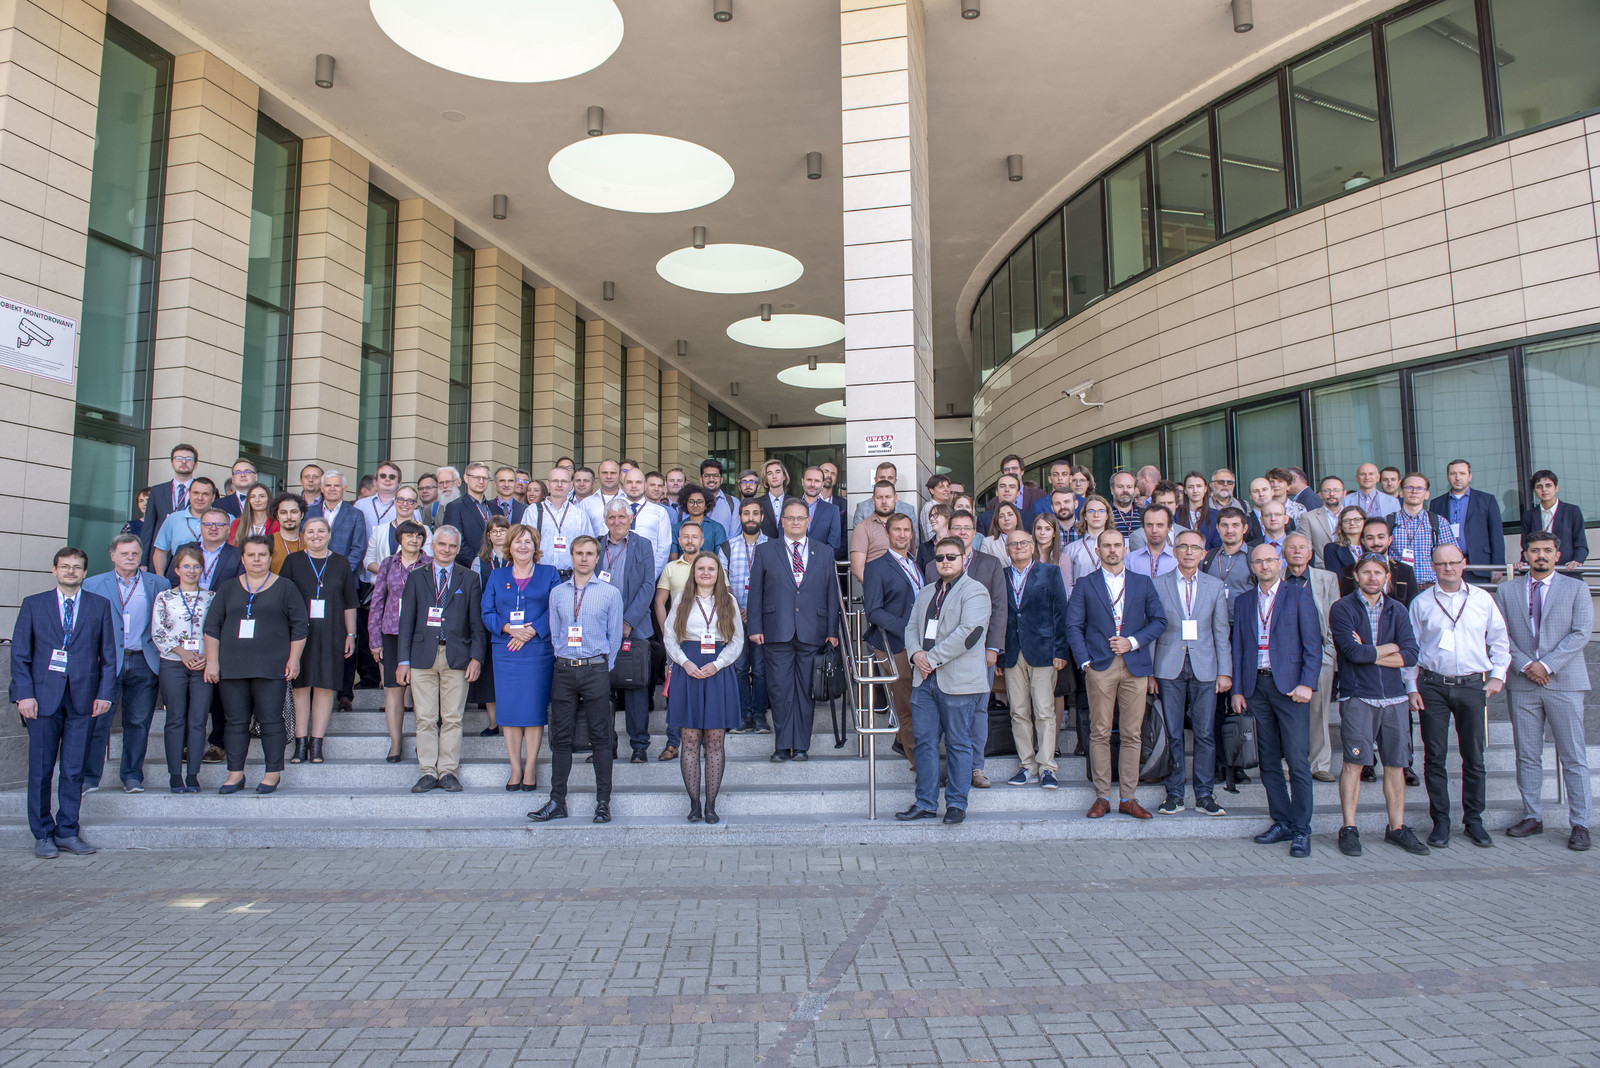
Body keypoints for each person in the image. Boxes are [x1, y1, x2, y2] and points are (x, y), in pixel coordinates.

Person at [10, 547, 116, 856]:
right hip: (42, 699)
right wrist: (24, 694)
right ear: (54, 570)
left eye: (77, 567)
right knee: (41, 770)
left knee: (73, 770)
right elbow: (20, 654)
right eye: (65, 566)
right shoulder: (34, 604)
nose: (71, 571)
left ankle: (68, 831)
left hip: (84, 699)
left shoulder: (99, 605)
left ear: (85, 572)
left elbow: (109, 656)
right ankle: (43, 834)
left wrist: (105, 693)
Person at [1405, 544, 1510, 849]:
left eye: (1453, 562)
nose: (1448, 568)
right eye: (1441, 564)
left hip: (1472, 685)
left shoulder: (1482, 599)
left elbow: (1500, 640)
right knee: (1435, 757)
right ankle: (1441, 821)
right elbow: (1412, 649)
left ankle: (1474, 821)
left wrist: (1497, 676)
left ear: (1464, 563)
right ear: (1433, 567)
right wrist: (1411, 686)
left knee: (1474, 757)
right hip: (1432, 686)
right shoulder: (1421, 603)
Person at [1496, 531, 1592, 851]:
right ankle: (1532, 816)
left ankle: (1580, 823)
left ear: (1557, 555)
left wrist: (1546, 665)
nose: (1541, 555)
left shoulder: (1576, 588)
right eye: (1535, 550)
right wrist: (1526, 665)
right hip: (1523, 681)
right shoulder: (1507, 590)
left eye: (1547, 550)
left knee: (1573, 756)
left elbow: (1581, 633)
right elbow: (1500, 635)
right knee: (1526, 754)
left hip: (1563, 681)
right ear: (1525, 554)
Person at [1065, 528, 1165, 819]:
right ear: (1098, 552)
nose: (1112, 550)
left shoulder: (1142, 582)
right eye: (1106, 546)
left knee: (1133, 734)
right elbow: (1073, 625)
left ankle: (1128, 798)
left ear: (1125, 550)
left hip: (1135, 665)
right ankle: (1103, 796)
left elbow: (1159, 620)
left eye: (1117, 545)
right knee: (1100, 732)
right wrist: (1084, 661)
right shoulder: (1085, 584)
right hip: (1099, 666)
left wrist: (1132, 642)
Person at [1231, 543, 1322, 858]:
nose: (1264, 566)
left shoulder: (1298, 595)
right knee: (1268, 760)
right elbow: (1239, 648)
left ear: (1279, 563)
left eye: (1270, 560)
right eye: (1258, 561)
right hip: (1256, 686)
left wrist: (1307, 683)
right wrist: (1238, 689)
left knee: (1297, 760)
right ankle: (1282, 821)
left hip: (1291, 688)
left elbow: (1313, 644)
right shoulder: (1244, 601)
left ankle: (1302, 829)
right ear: (1252, 566)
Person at [1330, 555, 1424, 857]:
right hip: (1358, 696)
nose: (1372, 577)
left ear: (1387, 577)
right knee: (1354, 764)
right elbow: (1352, 653)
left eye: (1378, 573)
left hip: (1395, 698)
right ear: (1356, 576)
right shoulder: (1342, 608)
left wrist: (1372, 652)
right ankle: (1349, 828)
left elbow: (1410, 655)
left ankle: (1396, 828)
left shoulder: (1398, 609)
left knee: (1396, 765)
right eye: (1366, 572)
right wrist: (1389, 648)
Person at [528, 535, 626, 824]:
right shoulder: (557, 593)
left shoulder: (610, 593)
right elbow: (555, 632)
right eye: (579, 553)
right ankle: (557, 801)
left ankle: (603, 803)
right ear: (571, 557)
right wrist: (565, 657)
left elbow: (614, 637)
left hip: (595, 669)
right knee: (560, 737)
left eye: (589, 553)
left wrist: (602, 666)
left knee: (601, 737)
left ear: (597, 558)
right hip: (564, 669)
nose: (584, 558)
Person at [203, 534, 309, 794]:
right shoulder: (228, 588)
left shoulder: (285, 587)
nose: (257, 559)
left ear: (270, 557)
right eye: (251, 555)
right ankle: (235, 774)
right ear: (242, 558)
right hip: (233, 667)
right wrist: (212, 662)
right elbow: (212, 627)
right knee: (235, 722)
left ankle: (272, 773)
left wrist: (294, 659)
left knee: (271, 720)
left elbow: (300, 626)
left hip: (271, 667)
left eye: (262, 554)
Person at [895, 536, 990, 824]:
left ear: (964, 559)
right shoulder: (926, 592)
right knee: (924, 742)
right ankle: (925, 802)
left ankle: (957, 804)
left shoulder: (975, 591)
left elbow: (968, 634)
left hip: (958, 682)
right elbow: (911, 628)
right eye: (940, 558)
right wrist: (915, 655)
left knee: (958, 744)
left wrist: (930, 659)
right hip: (924, 681)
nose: (945, 562)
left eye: (951, 557)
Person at [747, 498, 842, 762]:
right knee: (779, 690)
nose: (796, 522)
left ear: (808, 521)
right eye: (791, 518)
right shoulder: (766, 551)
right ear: (782, 522)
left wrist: (832, 630)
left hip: (813, 630)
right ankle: (782, 745)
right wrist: (755, 626)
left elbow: (831, 593)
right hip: (776, 630)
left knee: (805, 690)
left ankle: (800, 746)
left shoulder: (824, 552)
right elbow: (755, 592)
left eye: (801, 518)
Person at [395, 525, 486, 794]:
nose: (447, 550)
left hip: (457, 655)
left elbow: (477, 623)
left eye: (452, 546)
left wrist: (477, 657)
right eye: (442, 544)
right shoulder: (416, 577)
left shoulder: (469, 578)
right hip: (421, 655)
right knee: (425, 717)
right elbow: (406, 621)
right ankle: (427, 771)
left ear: (458, 549)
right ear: (432, 546)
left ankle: (447, 771)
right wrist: (403, 661)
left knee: (453, 717)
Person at [1151, 530, 1231, 815]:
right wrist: (1149, 673)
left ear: (1202, 553)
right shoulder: (1158, 584)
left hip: (1206, 667)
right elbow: (1152, 629)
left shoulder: (1214, 585)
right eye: (1183, 546)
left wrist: (1225, 672)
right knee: (1173, 733)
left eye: (1194, 547)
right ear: (1174, 552)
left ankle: (1205, 794)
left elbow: (1221, 631)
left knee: (1205, 733)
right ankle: (1174, 794)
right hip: (1168, 665)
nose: (1188, 552)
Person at [81, 534, 169, 792]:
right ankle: (90, 777)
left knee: (138, 723)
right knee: (99, 722)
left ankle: (132, 776)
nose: (130, 558)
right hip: (107, 662)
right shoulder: (93, 584)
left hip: (143, 660)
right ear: (113, 556)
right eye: (124, 553)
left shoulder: (159, 583)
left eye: (134, 553)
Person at [928, 510, 1008, 788]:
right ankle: (952, 767)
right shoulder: (934, 565)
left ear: (975, 533)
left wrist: (993, 647)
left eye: (967, 528)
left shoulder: (990, 564)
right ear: (949, 531)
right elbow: (929, 612)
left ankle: (976, 767)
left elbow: (1000, 607)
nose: (962, 532)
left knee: (978, 710)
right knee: (944, 711)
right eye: (957, 527)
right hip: (944, 654)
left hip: (979, 652)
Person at [664, 554, 744, 823]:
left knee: (715, 741)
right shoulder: (681, 600)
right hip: (688, 669)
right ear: (694, 572)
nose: (706, 573)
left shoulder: (728, 601)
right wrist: (684, 662)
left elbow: (737, 641)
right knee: (689, 741)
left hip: (718, 670)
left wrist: (718, 664)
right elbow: (669, 637)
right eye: (701, 568)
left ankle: (711, 805)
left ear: (719, 573)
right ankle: (694, 804)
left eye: (711, 569)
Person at [482, 523, 560, 791]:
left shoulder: (549, 573)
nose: (523, 546)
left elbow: (555, 608)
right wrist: (508, 628)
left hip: (538, 651)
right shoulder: (496, 576)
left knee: (534, 710)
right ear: (509, 546)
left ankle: (530, 767)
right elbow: (487, 612)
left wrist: (532, 630)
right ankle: (515, 766)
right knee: (510, 710)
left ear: (535, 546)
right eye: (518, 541)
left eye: (528, 541)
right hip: (506, 651)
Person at [281, 517, 358, 765]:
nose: (316, 535)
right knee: (300, 687)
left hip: (332, 632)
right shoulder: (293, 561)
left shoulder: (341, 562)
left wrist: (351, 634)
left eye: (321, 531)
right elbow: (282, 600)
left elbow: (349, 602)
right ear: (303, 535)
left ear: (329, 534)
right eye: (311, 531)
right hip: (299, 635)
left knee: (325, 687)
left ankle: (316, 744)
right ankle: (300, 743)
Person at [999, 528, 1071, 789]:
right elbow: (997, 615)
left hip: (1043, 650)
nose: (1018, 547)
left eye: (1023, 543)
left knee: (1044, 710)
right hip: (1011, 651)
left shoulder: (1050, 572)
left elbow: (1061, 612)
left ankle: (1047, 767)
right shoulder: (1001, 575)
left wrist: (1061, 651)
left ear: (1032, 546)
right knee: (1018, 711)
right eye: (1013, 544)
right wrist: (997, 653)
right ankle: (1026, 765)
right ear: (1007, 550)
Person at [598, 499, 660, 763]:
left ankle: (639, 746)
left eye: (622, 517)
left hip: (634, 628)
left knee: (636, 689)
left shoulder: (643, 545)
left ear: (631, 519)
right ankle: (606, 745)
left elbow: (648, 586)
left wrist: (627, 622)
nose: (617, 522)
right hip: (599, 629)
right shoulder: (596, 545)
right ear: (605, 520)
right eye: (611, 517)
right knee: (601, 690)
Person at [151, 545, 214, 792]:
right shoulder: (164, 598)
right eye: (186, 566)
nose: (191, 571)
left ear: (202, 569)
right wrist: (182, 652)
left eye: (196, 566)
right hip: (173, 663)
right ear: (177, 569)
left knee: (198, 720)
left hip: (202, 665)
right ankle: (175, 774)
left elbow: (218, 630)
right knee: (175, 719)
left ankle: (193, 774)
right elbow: (158, 631)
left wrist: (208, 656)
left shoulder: (211, 597)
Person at [368, 520, 431, 762]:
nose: (414, 540)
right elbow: (377, 601)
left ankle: (423, 742)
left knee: (422, 691)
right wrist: (375, 639)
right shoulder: (388, 563)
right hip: (392, 633)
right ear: (400, 538)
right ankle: (395, 742)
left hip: (421, 634)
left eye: (419, 536)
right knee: (394, 691)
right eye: (409, 535)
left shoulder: (429, 563)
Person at [862, 512, 922, 766]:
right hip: (894, 643)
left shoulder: (915, 564)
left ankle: (901, 741)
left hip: (918, 643)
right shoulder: (876, 566)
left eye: (906, 530)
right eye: (897, 529)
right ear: (887, 533)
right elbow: (874, 611)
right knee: (907, 704)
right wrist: (908, 629)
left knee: (918, 700)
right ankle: (919, 765)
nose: (902, 534)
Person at [1281, 533, 1340, 783]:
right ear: (1283, 552)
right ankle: (1289, 763)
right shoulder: (1276, 576)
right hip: (1283, 656)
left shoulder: (1327, 578)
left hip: (1319, 654)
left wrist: (1331, 654)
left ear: (1310, 553)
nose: (1297, 551)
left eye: (1302, 548)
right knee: (1287, 714)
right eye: (1291, 547)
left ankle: (1320, 764)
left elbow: (1335, 618)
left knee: (1319, 711)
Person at [721, 498, 770, 735]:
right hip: (735, 617)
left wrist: (754, 610)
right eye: (746, 513)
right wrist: (738, 608)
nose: (751, 517)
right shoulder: (726, 547)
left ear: (762, 517)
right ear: (740, 517)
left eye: (755, 513)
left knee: (760, 669)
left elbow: (775, 582)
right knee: (739, 668)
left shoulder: (773, 546)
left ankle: (759, 715)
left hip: (763, 618)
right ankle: (743, 715)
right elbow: (722, 582)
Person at [469, 514, 512, 735]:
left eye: (502, 530)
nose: (498, 534)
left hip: (513, 624)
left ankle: (511, 720)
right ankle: (493, 722)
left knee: (510, 674)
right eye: (494, 531)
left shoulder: (517, 558)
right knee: (489, 675)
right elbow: (475, 593)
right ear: (488, 535)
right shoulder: (480, 561)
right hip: (489, 622)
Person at [1430, 459, 1503, 583]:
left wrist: (1498, 565)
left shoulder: (1487, 500)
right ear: (1448, 477)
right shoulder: (1436, 503)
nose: (1458, 478)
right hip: (1446, 566)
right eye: (1453, 474)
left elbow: (1496, 534)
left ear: (1470, 476)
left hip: (1479, 564)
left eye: (1462, 473)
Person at [1389, 473, 1457, 588]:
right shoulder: (1389, 522)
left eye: (1420, 488)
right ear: (1401, 493)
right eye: (1409, 487)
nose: (1414, 492)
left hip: (1430, 588)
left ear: (1427, 494)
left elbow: (1452, 557)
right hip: (1398, 589)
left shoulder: (1439, 522)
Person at [139, 443, 199, 568]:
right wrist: (143, 562)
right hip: (160, 554)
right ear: (172, 463)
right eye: (179, 458)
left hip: (193, 556)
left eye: (189, 459)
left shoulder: (206, 491)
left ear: (195, 464)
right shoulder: (157, 491)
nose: (184, 462)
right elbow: (148, 527)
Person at [306, 470, 369, 582]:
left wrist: (340, 573)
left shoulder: (356, 515)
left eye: (336, 485)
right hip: (311, 575)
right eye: (328, 485)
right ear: (321, 488)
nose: (332, 489)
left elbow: (358, 549)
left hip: (344, 578)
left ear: (344, 488)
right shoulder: (309, 512)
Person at [1519, 469, 1587, 569]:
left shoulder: (1572, 511)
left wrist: (1577, 561)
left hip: (1567, 569)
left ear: (1556, 488)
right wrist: (1523, 563)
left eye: (1548, 485)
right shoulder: (1529, 515)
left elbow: (1581, 545)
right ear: (1534, 490)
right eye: (1539, 486)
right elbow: (1526, 546)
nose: (1544, 490)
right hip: (1539, 570)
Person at [149, 476, 218, 576]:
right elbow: (161, 551)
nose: (200, 498)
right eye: (196, 493)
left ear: (213, 497)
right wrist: (160, 576)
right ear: (189, 494)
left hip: (215, 577)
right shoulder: (173, 519)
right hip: (179, 578)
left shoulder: (226, 520)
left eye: (205, 494)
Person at [537, 465, 598, 578]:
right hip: (539, 575)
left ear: (570, 485)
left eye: (564, 481)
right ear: (548, 484)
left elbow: (589, 546)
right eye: (555, 481)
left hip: (569, 576)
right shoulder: (533, 511)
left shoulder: (579, 515)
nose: (559, 485)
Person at [363, 483, 433, 573]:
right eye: (400, 499)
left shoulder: (424, 530)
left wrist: (403, 576)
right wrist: (387, 573)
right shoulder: (380, 530)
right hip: (382, 580)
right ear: (394, 502)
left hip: (412, 581)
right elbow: (368, 559)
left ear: (416, 504)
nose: (405, 504)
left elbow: (428, 560)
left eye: (410, 501)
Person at [620, 467, 673, 577]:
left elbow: (664, 548)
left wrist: (652, 575)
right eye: (629, 482)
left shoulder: (660, 512)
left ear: (645, 485)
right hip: (617, 572)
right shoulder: (613, 508)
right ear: (623, 485)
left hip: (647, 572)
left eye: (638, 482)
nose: (634, 486)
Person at [443, 462, 498, 560]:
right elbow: (456, 542)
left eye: (485, 478)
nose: (481, 481)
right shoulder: (455, 507)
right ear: (466, 478)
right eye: (477, 477)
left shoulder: (496, 509)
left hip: (496, 564)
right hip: (469, 565)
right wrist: (479, 563)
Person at [1203, 507, 1256, 609]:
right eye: (1224, 525)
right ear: (1217, 528)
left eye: (1235, 525)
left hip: (1244, 617)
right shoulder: (1207, 558)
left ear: (1245, 528)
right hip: (1213, 617)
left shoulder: (1254, 557)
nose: (1229, 530)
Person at [849, 480, 900, 582]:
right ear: (873, 500)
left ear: (895, 498)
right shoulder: (863, 527)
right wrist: (875, 588)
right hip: (878, 587)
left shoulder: (904, 526)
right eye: (879, 497)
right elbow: (857, 568)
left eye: (888, 497)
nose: (884, 501)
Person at [850, 461, 918, 528]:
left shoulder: (908, 510)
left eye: (890, 478)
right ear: (875, 480)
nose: (886, 480)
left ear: (895, 481)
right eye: (882, 477)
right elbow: (859, 534)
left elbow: (914, 535)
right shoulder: (862, 508)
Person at [796, 466, 842, 556]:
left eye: (817, 481)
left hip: (821, 562)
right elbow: (784, 538)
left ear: (822, 484)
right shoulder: (789, 507)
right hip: (794, 562)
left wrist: (814, 559)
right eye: (809, 480)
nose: (812, 484)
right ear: (802, 481)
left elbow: (834, 544)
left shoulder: (832, 510)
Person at [1065, 495, 1112, 583]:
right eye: (1091, 511)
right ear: (1085, 516)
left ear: (1107, 516)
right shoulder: (1071, 550)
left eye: (1101, 511)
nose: (1096, 515)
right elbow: (1068, 585)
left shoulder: (1120, 547)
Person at [674, 484, 727, 556]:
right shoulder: (676, 528)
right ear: (686, 504)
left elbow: (721, 557)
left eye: (699, 502)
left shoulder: (717, 528)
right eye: (691, 502)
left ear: (706, 505)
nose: (695, 505)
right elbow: (673, 558)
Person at [1301, 476, 1345, 564]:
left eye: (1336, 490)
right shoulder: (1308, 517)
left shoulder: (1353, 517)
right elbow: (1305, 546)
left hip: (1349, 567)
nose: (1332, 494)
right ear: (1320, 494)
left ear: (1344, 493)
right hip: (1321, 567)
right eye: (1327, 490)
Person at [1126, 506, 1177, 577]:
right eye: (1149, 525)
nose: (1154, 530)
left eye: (1160, 525)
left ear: (1169, 528)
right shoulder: (1130, 560)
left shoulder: (1178, 559)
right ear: (1144, 528)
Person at [1323, 505, 1367, 580]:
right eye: (1347, 520)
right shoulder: (1332, 549)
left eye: (1357, 519)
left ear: (1364, 522)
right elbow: (1337, 579)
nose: (1352, 523)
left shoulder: (1370, 546)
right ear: (1341, 524)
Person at [227, 482, 275, 547]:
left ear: (268, 499)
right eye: (252, 497)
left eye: (262, 496)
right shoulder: (237, 523)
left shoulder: (276, 524)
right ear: (249, 500)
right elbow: (232, 548)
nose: (257, 500)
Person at [268, 492, 305, 573]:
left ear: (302, 515)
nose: (289, 517)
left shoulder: (310, 542)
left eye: (294, 512)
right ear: (277, 516)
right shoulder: (267, 542)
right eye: (283, 512)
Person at [700, 458, 737, 535]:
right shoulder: (692, 503)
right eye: (707, 476)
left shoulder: (734, 503)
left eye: (715, 476)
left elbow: (734, 536)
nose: (711, 479)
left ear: (721, 479)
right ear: (701, 480)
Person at [1177, 472, 1215, 540]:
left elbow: (1217, 543)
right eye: (1190, 487)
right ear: (1185, 490)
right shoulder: (1176, 515)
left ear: (1205, 489)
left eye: (1199, 486)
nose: (1195, 490)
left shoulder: (1216, 516)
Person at [1106, 471, 1143, 539]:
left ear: (1134, 490)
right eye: (1120, 487)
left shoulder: (1144, 514)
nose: (1125, 490)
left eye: (1129, 487)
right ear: (1112, 490)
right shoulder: (1105, 514)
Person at [923, 472, 954, 539]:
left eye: (948, 486)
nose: (946, 490)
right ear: (932, 490)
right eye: (941, 487)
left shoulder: (946, 507)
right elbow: (930, 536)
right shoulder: (929, 507)